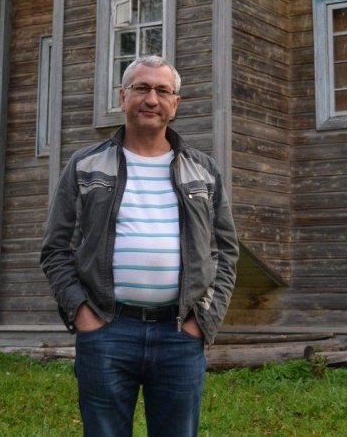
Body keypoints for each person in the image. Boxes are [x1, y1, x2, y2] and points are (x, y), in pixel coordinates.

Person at [41, 55, 239, 437]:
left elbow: (226, 251)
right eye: (141, 88)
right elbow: (55, 247)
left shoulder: (204, 171)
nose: (151, 99)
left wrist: (203, 321)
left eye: (162, 91)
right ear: (123, 97)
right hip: (107, 330)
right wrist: (82, 313)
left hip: (180, 334)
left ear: (175, 104)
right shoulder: (85, 165)